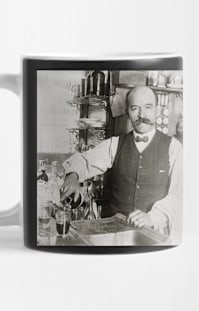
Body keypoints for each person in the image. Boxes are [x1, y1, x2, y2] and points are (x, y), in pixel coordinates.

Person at [60, 86, 182, 243]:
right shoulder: (115, 144)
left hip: (153, 235)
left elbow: (178, 196)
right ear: (127, 112)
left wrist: (152, 217)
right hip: (116, 234)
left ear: (157, 110)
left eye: (148, 107)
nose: (142, 115)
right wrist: (73, 175)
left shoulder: (174, 147)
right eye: (135, 108)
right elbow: (85, 160)